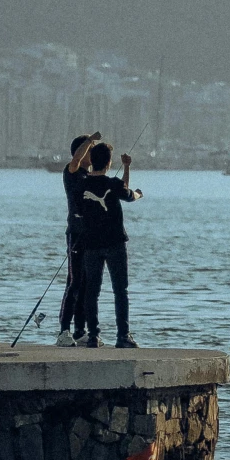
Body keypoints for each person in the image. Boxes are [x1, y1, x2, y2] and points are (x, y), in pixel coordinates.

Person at [74, 140, 143, 348]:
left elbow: (78, 211)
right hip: (115, 244)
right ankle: (123, 337)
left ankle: (93, 336)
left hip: (91, 245)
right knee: (120, 291)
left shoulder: (81, 185)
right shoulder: (113, 184)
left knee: (91, 292)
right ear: (109, 163)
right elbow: (129, 195)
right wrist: (129, 170)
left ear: (92, 161)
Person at [58, 132, 98, 343]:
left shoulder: (89, 177)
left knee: (86, 284)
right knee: (74, 282)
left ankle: (79, 331)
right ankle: (63, 331)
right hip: (76, 234)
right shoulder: (71, 171)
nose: (92, 154)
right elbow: (76, 159)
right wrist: (91, 139)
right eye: (89, 151)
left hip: (90, 236)